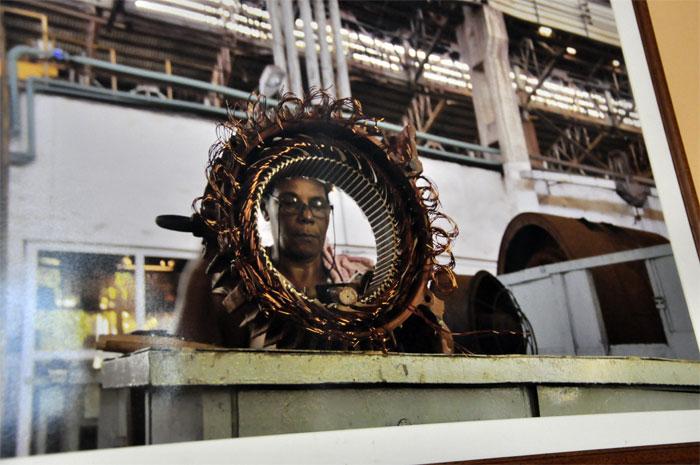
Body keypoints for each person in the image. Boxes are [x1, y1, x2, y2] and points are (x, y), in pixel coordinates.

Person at [173, 175, 373, 348]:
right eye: (290, 202)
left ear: (329, 214)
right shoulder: (236, 286)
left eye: (318, 204)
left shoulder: (358, 280)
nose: (307, 216)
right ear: (265, 209)